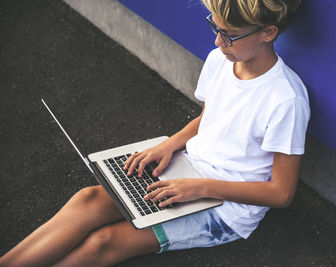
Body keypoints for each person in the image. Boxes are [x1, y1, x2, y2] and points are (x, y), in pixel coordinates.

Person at [0, 0, 309, 266]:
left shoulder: (286, 99)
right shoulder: (221, 60)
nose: (217, 43)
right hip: (188, 171)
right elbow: (210, 117)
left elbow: (281, 193)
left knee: (104, 243)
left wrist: (200, 188)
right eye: (215, 28)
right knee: (87, 200)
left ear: (268, 33)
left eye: (229, 36)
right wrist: (170, 145)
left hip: (228, 210)